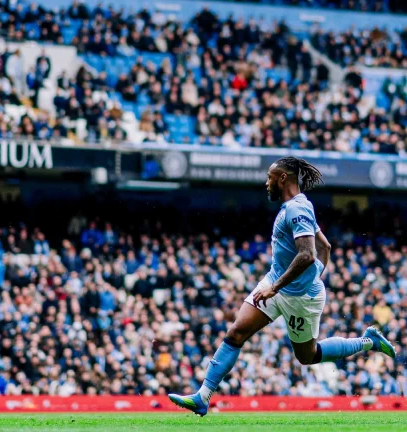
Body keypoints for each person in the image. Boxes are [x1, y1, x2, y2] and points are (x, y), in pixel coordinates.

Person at [169, 156, 396, 417]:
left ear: (283, 178)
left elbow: (308, 254)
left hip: (298, 296)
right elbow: (326, 248)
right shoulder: (297, 207)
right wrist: (311, 275)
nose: (266, 183)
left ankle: (369, 342)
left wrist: (282, 286)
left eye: (269, 177)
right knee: (235, 333)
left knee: (307, 356)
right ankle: (203, 397)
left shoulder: (297, 210)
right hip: (276, 282)